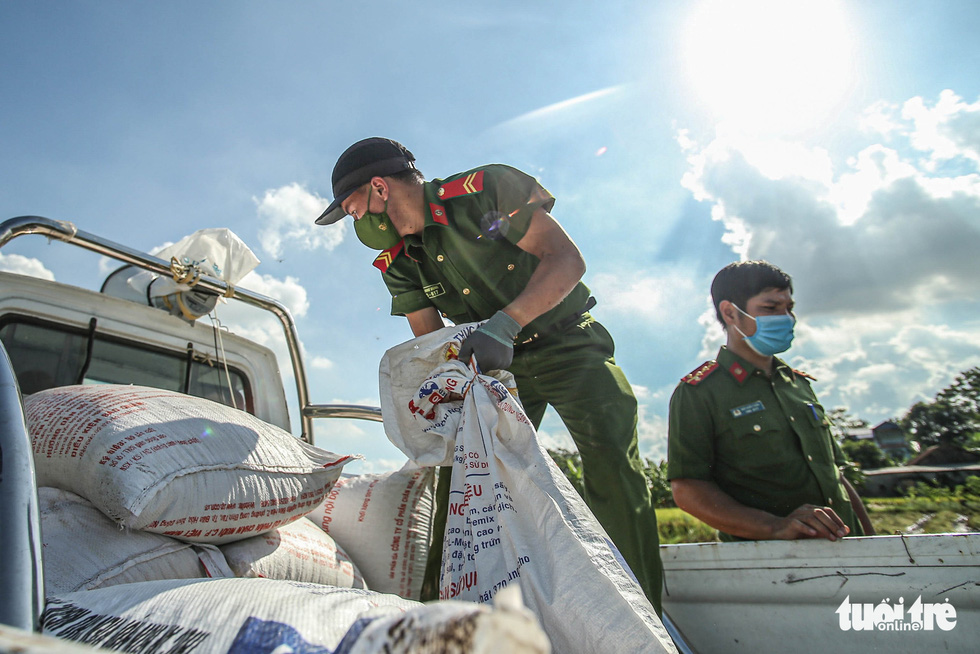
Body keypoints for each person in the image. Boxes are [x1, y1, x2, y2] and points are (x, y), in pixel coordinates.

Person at [315, 137, 663, 613]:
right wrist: (441, 406)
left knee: (610, 461)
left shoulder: (483, 191)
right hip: (493, 369)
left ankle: (638, 620)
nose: (357, 224)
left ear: (379, 188)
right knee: (462, 480)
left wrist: (506, 322)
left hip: (567, 343)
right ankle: (441, 621)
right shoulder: (397, 261)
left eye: (354, 212)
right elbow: (433, 342)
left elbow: (566, 259)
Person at [667, 260, 875, 542]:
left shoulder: (798, 384)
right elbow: (689, 489)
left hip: (849, 550)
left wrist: (872, 540)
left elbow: (836, 476)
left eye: (789, 308)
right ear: (730, 313)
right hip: (772, 563)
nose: (787, 318)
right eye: (770, 308)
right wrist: (774, 526)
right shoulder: (699, 392)